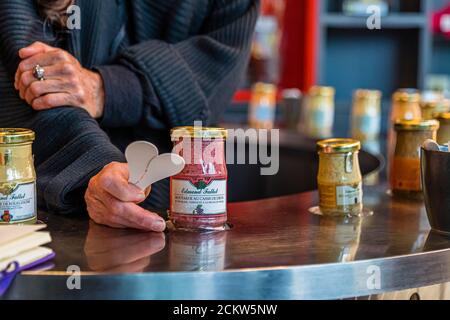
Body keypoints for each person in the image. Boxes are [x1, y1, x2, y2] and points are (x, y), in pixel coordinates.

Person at [0, 0, 258, 231]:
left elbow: (218, 73)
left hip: (178, 213)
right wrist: (92, 167)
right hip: (53, 208)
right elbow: (29, 76)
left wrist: (107, 89)